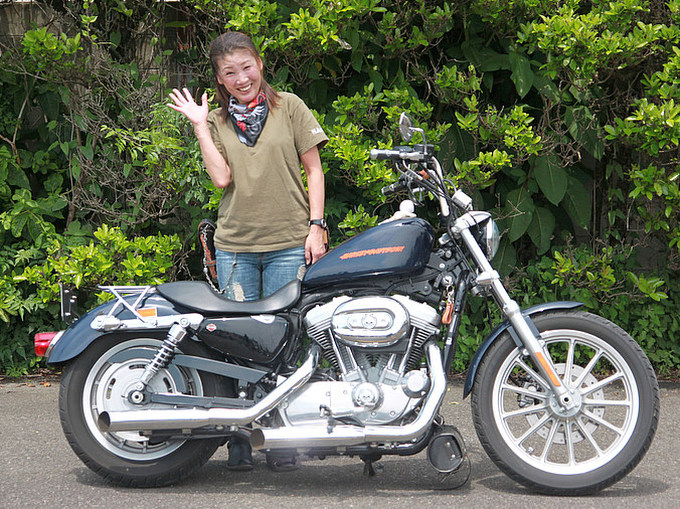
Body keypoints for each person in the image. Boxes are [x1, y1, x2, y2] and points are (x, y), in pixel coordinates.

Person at [168, 31, 328, 471]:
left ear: (259, 63)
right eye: (230, 73)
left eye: (246, 67)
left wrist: (316, 227)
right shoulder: (217, 121)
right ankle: (239, 436)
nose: (241, 78)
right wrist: (200, 126)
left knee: (284, 341)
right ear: (220, 80)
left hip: (288, 244)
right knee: (237, 345)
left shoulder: (290, 107)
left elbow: (314, 171)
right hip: (236, 248)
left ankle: (280, 436)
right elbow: (221, 179)